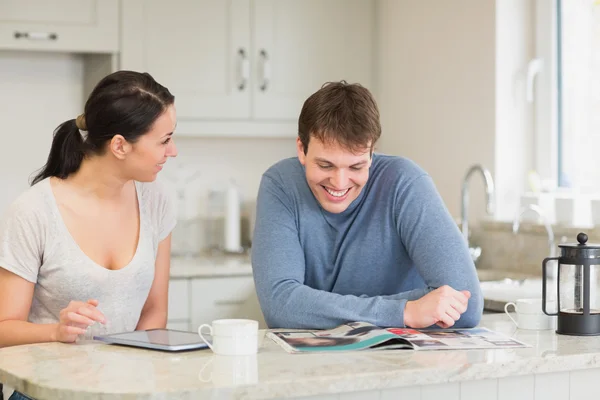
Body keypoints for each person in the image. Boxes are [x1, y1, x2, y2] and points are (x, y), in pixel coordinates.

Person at [0, 71, 178, 399]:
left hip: (126, 387)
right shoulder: (34, 212)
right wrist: (56, 331)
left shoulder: (156, 200)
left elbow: (155, 312)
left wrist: (128, 383)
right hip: (46, 388)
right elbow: (3, 328)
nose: (174, 151)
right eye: (165, 140)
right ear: (120, 146)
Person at [252, 81, 483, 330]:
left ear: (372, 153)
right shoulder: (280, 184)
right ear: (301, 149)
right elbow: (280, 306)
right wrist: (405, 312)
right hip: (313, 362)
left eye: (356, 167)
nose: (339, 183)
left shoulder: (405, 183)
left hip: (402, 361)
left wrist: (315, 309)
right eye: (325, 165)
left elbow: (465, 305)